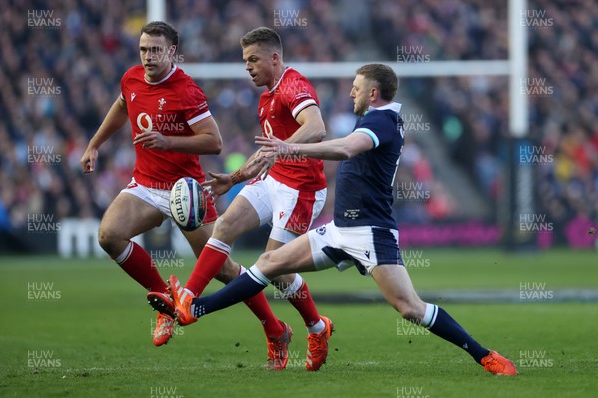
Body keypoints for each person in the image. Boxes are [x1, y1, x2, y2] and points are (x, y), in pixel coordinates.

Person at [152, 63, 518, 376]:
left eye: (356, 89)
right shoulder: (375, 118)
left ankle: (484, 355)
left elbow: (344, 148)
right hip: (340, 230)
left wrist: (290, 147)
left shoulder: (384, 121)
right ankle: (194, 309)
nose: (350, 95)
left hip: (371, 234)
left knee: (410, 308)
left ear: (373, 92)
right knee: (270, 263)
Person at [80, 22, 297, 370]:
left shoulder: (186, 90)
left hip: (187, 193)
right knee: (109, 235)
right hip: (147, 185)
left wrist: (169, 142)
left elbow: (214, 142)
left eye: (156, 50)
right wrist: (94, 145)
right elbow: (122, 107)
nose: (149, 56)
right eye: (144, 49)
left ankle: (275, 330)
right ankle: (165, 300)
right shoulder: (132, 78)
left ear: (172, 52)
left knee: (224, 270)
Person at [148, 27, 333, 371]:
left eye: (253, 59)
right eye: (244, 60)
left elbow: (316, 126)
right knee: (225, 226)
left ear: (274, 58)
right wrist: (232, 180)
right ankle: (188, 298)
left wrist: (285, 146)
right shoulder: (266, 97)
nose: (247, 67)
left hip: (301, 189)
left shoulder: (294, 85)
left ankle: (318, 328)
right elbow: (267, 156)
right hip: (274, 180)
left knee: (274, 268)